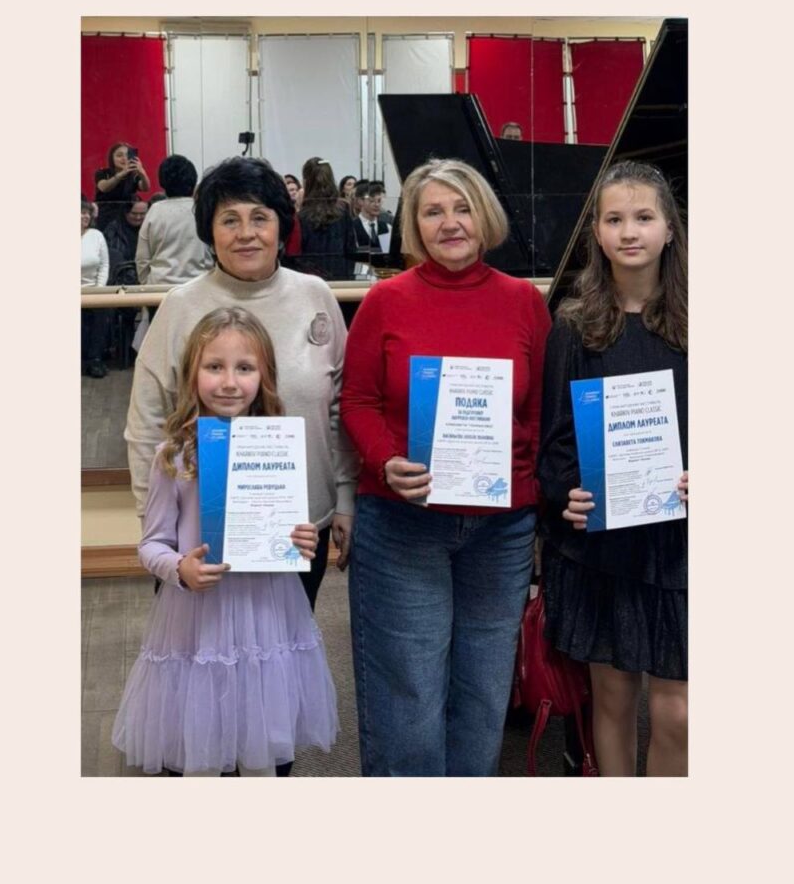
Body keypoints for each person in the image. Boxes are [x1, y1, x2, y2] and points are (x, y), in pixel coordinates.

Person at [340, 157, 551, 776]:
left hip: (501, 529)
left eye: (462, 208)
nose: (450, 223)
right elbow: (357, 401)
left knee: (484, 694)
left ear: (484, 216)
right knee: (407, 695)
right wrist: (386, 459)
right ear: (414, 224)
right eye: (433, 211)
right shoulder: (385, 301)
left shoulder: (524, 303)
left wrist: (533, 494)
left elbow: (541, 411)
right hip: (403, 521)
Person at [125, 156, 357, 616]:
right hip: (198, 534)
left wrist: (345, 498)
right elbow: (147, 422)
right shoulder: (180, 306)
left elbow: (339, 407)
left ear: (281, 225)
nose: (246, 233)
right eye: (229, 219)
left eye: (259, 218)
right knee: (202, 654)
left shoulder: (315, 296)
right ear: (210, 231)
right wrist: (156, 525)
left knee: (282, 649)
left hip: (298, 528)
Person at [113, 307, 338, 776]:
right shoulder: (175, 455)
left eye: (245, 368)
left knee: (261, 752)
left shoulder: (278, 447)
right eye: (214, 367)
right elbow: (151, 544)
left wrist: (300, 541)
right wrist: (180, 568)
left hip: (266, 613)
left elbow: (287, 532)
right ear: (192, 374)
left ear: (265, 376)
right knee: (201, 751)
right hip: (200, 620)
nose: (230, 382)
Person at [537, 160, 688, 777]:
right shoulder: (574, 326)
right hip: (603, 543)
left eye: (644, 217)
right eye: (614, 219)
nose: (629, 232)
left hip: (682, 542)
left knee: (680, 713)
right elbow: (555, 440)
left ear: (670, 228)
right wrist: (565, 494)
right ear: (596, 233)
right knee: (614, 698)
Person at [135, 155, 214, 285]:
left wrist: (147, 284)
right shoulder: (202, 210)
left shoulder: (155, 210)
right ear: (193, 181)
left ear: (162, 182)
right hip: (199, 284)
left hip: (159, 286)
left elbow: (142, 257)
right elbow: (213, 251)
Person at [297, 156, 355, 280]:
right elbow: (351, 248)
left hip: (311, 279)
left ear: (306, 181)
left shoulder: (301, 215)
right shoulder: (343, 209)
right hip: (341, 277)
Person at [81, 200, 110, 378]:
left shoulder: (97, 235)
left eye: (87, 213)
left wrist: (99, 290)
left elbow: (104, 265)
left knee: (102, 312)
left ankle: (95, 360)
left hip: (94, 290)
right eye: (81, 212)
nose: (85, 216)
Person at [94, 142, 151, 231]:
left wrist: (142, 172)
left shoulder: (133, 175)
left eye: (127, 155)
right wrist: (122, 173)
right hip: (106, 217)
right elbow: (104, 187)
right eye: (119, 155)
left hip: (127, 219)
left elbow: (145, 188)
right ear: (112, 158)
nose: (124, 158)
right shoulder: (103, 173)